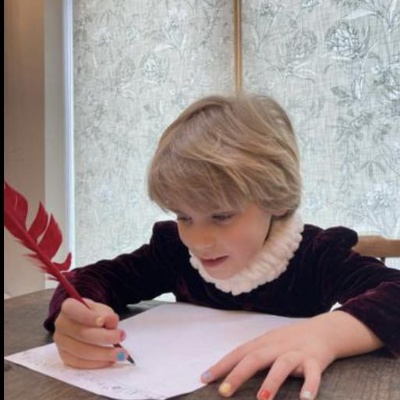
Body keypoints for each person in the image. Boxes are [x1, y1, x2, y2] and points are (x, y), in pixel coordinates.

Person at [44, 93, 400, 400]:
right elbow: (86, 280)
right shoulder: (173, 252)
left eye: (222, 215)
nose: (198, 240)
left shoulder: (316, 254)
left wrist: (326, 335)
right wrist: (77, 316)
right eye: (184, 216)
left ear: (274, 200)